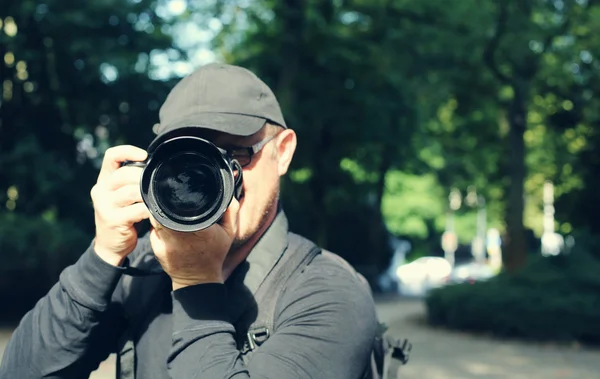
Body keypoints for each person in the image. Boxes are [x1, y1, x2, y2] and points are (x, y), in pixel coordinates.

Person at [0, 63, 378, 379]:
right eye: (190, 161)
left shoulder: (328, 292)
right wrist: (103, 254)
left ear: (282, 152)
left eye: (235, 154)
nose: (217, 179)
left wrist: (195, 282)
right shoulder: (141, 265)